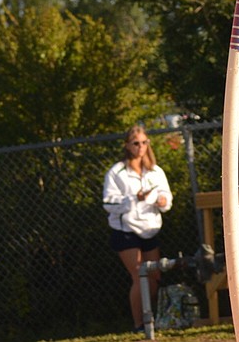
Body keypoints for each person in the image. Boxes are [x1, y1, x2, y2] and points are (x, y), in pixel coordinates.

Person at [102, 125, 173, 332]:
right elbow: (109, 203)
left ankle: (152, 318)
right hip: (126, 232)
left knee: (154, 276)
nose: (140, 147)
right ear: (127, 146)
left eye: (144, 142)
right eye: (136, 143)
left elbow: (167, 197)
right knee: (139, 275)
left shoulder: (155, 171)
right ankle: (139, 324)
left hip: (150, 229)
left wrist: (162, 201)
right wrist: (134, 198)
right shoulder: (117, 172)